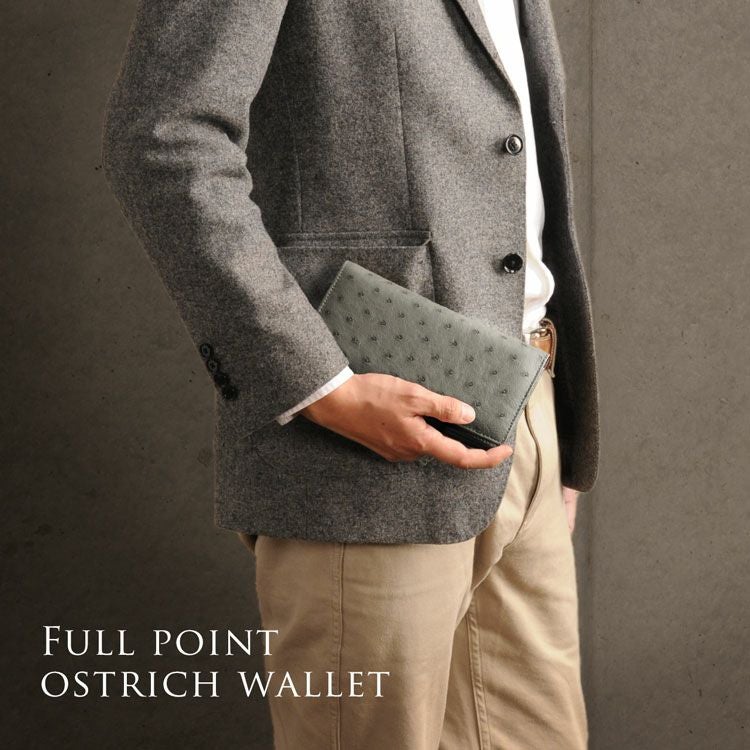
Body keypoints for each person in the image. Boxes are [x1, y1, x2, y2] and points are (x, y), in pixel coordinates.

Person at [102, 0, 600, 747]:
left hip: (525, 407)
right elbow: (164, 136)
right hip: (363, 441)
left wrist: (550, 437)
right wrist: (318, 383)